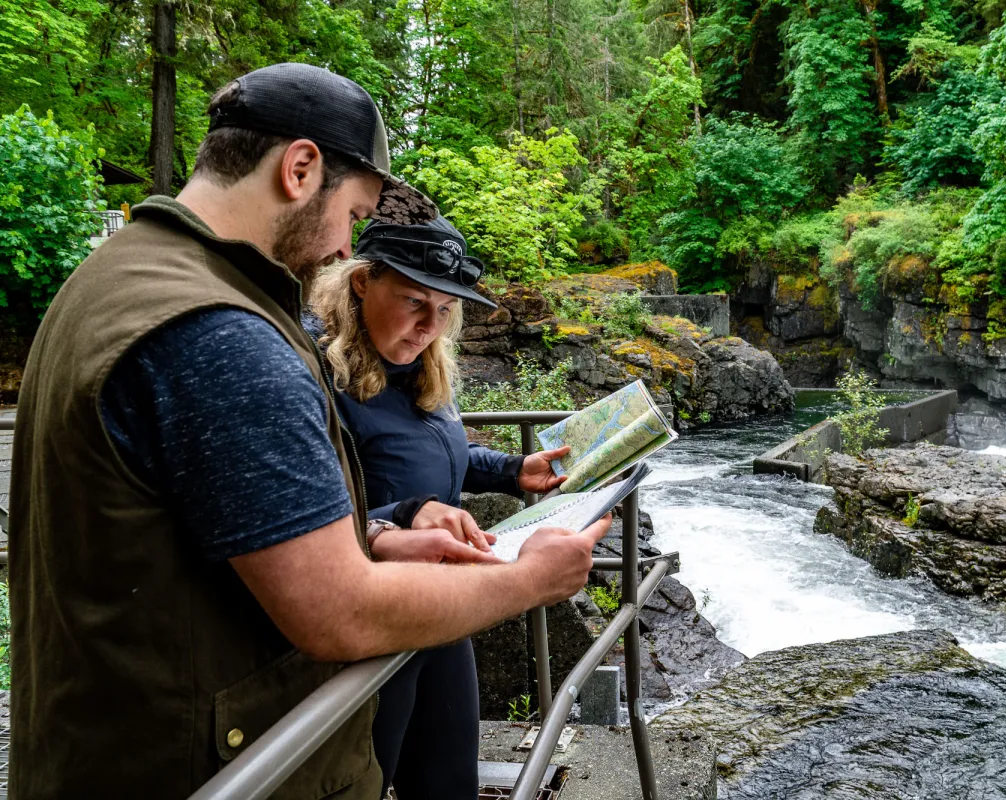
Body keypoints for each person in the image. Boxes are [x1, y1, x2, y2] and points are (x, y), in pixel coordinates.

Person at [9, 62, 608, 799]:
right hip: (208, 766)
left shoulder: (114, 277)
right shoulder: (221, 334)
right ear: (300, 168)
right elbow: (338, 612)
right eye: (353, 216)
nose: (339, 246)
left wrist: (382, 535)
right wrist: (527, 579)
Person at [306, 216, 571, 797]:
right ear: (360, 283)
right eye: (414, 302)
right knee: (361, 784)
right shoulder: (314, 378)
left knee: (450, 785)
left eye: (446, 309)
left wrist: (510, 470)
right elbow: (312, 513)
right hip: (371, 619)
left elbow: (435, 456)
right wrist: (406, 511)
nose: (430, 326)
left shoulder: (421, 366)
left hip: (444, 609)